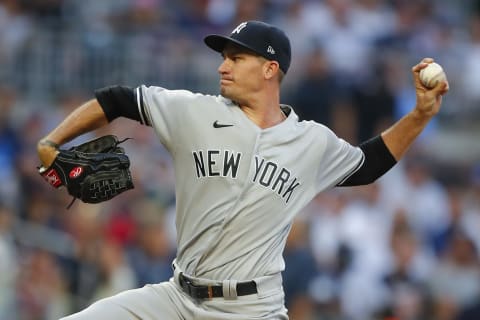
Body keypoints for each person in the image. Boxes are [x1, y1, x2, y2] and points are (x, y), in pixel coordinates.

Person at [37, 20, 448, 320]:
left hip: (252, 309)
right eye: (223, 57)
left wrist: (419, 114)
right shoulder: (194, 111)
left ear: (270, 69)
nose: (223, 66)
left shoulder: (311, 142)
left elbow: (368, 164)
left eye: (236, 57)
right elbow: (118, 99)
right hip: (175, 299)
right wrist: (52, 141)